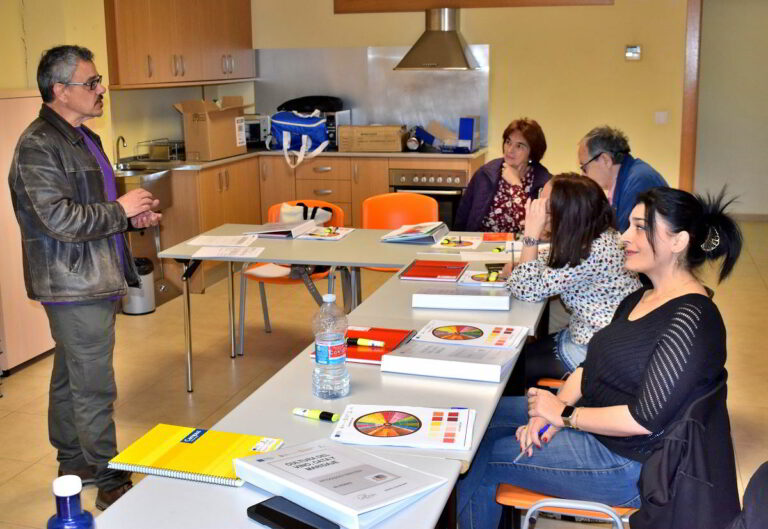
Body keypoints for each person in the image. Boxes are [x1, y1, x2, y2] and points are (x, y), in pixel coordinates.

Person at [458, 187, 742, 529]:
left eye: (640, 227)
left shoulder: (692, 320)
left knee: (482, 457)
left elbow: (642, 420)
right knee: (477, 421)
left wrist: (564, 415)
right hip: (599, 428)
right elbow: (589, 366)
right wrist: (549, 412)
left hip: (629, 463)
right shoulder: (640, 296)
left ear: (678, 241)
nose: (624, 236)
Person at [8, 45, 161, 510]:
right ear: (60, 90)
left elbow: (89, 211)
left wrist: (128, 218)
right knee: (94, 384)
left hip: (92, 276)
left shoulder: (82, 137)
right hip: (72, 284)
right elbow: (58, 220)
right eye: (90, 83)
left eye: (98, 82)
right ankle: (107, 476)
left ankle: (72, 460)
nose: (101, 90)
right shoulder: (39, 145)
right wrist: (119, 209)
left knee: (69, 376)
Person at [505, 173, 641, 389]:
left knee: (508, 369)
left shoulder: (589, 252)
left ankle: (512, 417)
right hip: (589, 336)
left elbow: (525, 289)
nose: (540, 210)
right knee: (516, 354)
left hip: (592, 353)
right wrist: (528, 263)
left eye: (545, 206)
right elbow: (553, 260)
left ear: (565, 213)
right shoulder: (598, 235)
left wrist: (531, 233)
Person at [454, 118, 551, 233]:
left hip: (521, 247)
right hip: (481, 245)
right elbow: (462, 218)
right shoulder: (485, 173)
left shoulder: (544, 183)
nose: (510, 150)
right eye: (508, 142)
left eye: (519, 146)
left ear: (532, 153)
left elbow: (537, 229)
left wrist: (516, 186)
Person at [578, 125, 667, 232]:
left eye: (584, 167)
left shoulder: (638, 182)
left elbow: (624, 238)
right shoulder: (628, 176)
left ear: (605, 160)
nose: (583, 175)